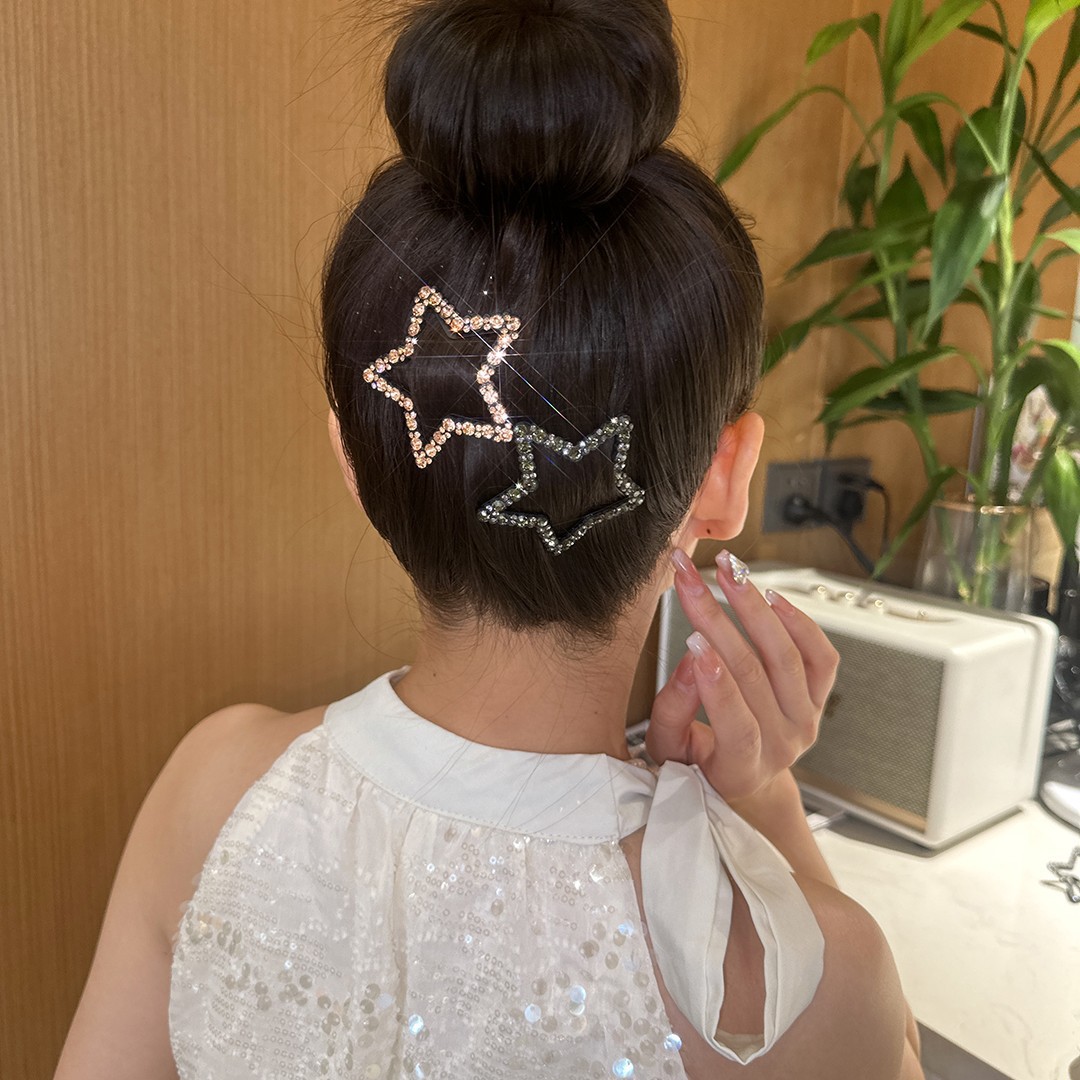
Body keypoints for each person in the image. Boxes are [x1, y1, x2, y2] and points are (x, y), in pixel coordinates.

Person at [54, 1, 925, 1077]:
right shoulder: (785, 979)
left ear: (356, 459)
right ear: (726, 479)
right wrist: (763, 802)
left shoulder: (210, 785)